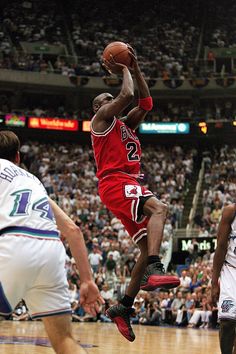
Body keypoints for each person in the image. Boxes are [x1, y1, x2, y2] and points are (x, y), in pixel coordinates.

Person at [90, 46, 180, 342]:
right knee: (160, 208)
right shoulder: (102, 120)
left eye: (109, 97)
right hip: (115, 182)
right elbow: (126, 96)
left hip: (124, 183)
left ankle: (123, 307)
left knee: (144, 246)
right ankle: (156, 267)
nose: (109, 100)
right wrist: (122, 67)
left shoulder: (126, 125)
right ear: (99, 107)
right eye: (105, 99)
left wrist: (136, 66)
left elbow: (145, 102)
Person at [0, 130, 104, 354]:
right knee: (65, 340)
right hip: (51, 252)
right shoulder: (34, 183)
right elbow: (73, 230)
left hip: (15, 242)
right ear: (18, 157)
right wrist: (87, 280)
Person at [211, 203, 236, 354]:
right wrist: (214, 283)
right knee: (227, 322)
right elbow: (220, 246)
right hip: (231, 270)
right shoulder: (230, 211)